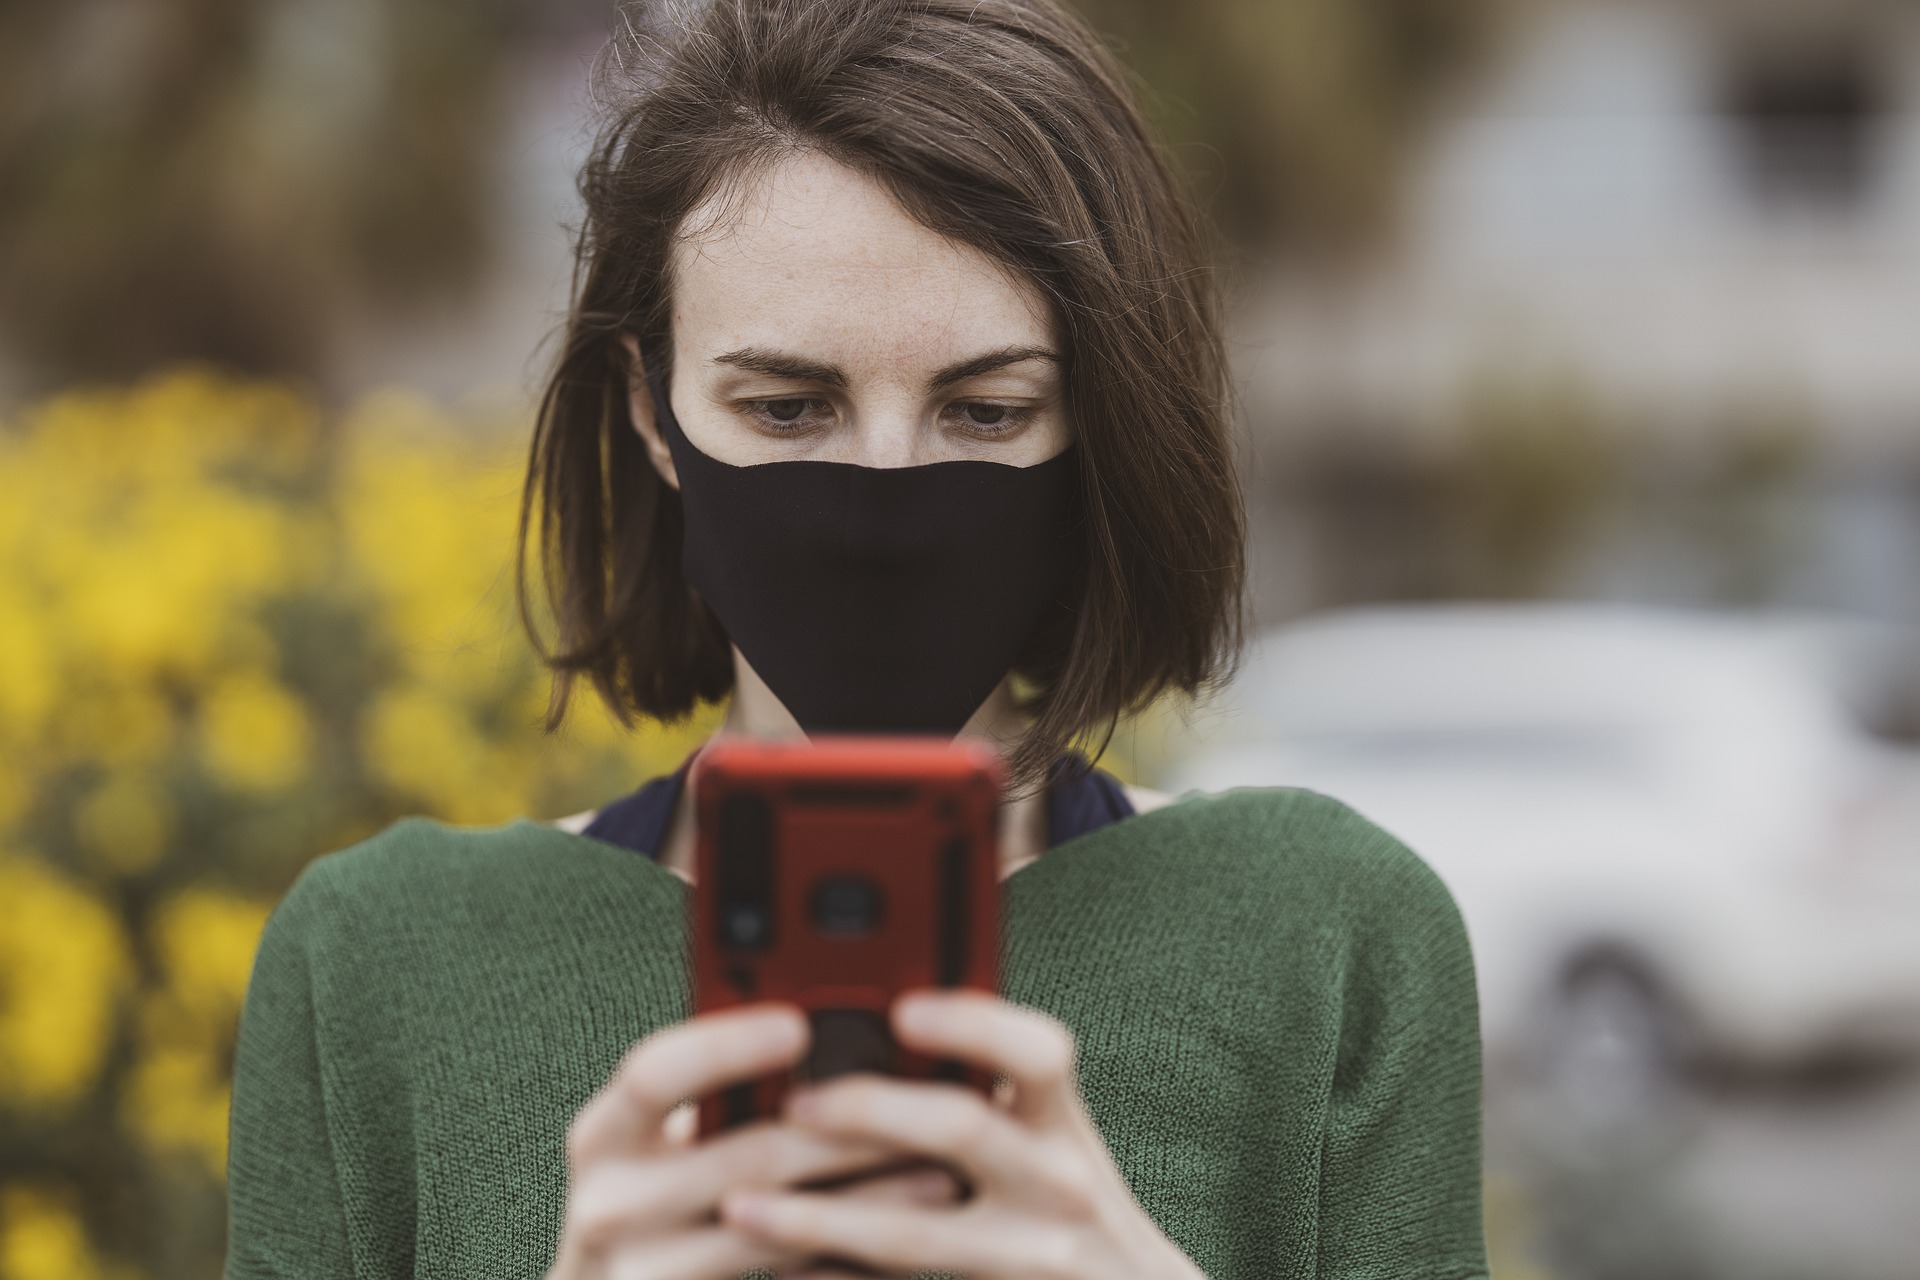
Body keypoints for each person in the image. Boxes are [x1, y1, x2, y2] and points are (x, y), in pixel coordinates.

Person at [223, 2, 1487, 1278]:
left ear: (1094, 420)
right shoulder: (380, 958)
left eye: (986, 409)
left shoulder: (1324, 930)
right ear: (653, 415)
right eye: (787, 406)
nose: (884, 481)